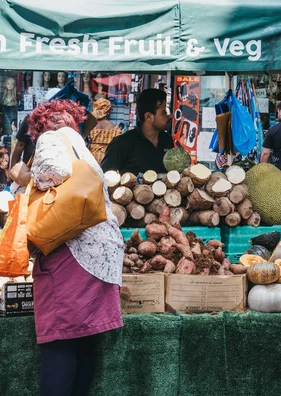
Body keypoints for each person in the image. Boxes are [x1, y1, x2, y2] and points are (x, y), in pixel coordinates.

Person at [26, 99, 123, 396]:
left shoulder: (51, 138)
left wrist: (34, 181)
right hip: (104, 258)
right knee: (85, 341)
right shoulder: (81, 145)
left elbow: (51, 171)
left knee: (61, 342)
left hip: (74, 255)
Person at [101, 88, 173, 173]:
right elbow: (105, 178)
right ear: (148, 116)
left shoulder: (167, 140)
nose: (170, 116)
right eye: (164, 112)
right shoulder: (122, 144)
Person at [89, 99, 121, 164]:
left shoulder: (89, 125)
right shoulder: (115, 129)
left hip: (91, 158)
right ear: (108, 112)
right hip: (107, 159)